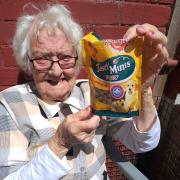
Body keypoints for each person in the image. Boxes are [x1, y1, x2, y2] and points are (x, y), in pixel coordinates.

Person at [0, 4, 168, 180]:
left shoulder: (93, 91)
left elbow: (142, 143)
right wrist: (60, 143)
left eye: (65, 57)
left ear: (78, 59)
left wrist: (142, 90)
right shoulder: (10, 105)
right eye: (42, 59)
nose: (56, 72)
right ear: (28, 64)